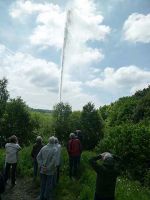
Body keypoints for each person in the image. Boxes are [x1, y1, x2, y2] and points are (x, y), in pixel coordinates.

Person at [37, 136, 57, 200]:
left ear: (49, 141)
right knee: (48, 184)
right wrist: (48, 168)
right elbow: (53, 161)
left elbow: (38, 157)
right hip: (50, 170)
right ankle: (46, 197)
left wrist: (41, 165)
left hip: (43, 168)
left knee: (43, 183)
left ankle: (41, 196)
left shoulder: (43, 147)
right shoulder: (55, 149)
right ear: (54, 142)